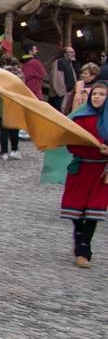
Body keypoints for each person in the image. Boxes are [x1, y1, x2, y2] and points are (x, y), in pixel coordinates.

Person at [61, 80, 108, 268]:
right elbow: (71, 144)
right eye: (94, 94)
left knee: (93, 212)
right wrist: (94, 144)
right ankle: (79, 239)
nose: (97, 97)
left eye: (102, 94)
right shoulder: (79, 118)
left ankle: (84, 250)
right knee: (76, 211)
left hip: (101, 172)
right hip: (81, 169)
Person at [0, 57, 24, 160]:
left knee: (4, 129)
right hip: (16, 103)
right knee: (14, 129)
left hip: (3, 103)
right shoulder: (20, 75)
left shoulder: (1, 74)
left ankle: (4, 152)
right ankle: (14, 150)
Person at [51, 46, 78, 113]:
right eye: (71, 52)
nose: (73, 53)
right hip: (61, 97)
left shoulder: (70, 63)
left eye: (73, 52)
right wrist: (63, 94)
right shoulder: (59, 62)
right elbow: (57, 79)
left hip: (69, 95)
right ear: (65, 54)